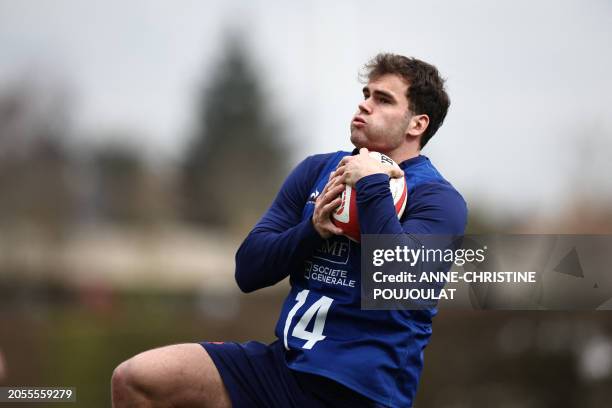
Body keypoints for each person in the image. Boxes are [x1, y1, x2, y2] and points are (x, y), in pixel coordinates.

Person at [111, 53, 467, 408]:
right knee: (137, 379)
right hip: (281, 369)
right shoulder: (317, 170)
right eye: (366, 94)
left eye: (383, 99)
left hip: (358, 392)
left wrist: (371, 184)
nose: (365, 105)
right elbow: (248, 270)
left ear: (417, 125)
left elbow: (399, 278)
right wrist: (312, 230)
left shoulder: (438, 199)